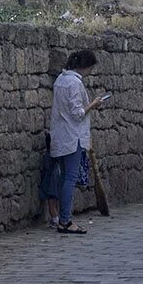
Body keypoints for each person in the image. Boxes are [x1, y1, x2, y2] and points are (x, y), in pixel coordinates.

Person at [48, 49, 105, 234]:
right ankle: (65, 220)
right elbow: (78, 113)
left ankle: (60, 217)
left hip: (60, 135)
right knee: (70, 179)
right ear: (86, 67)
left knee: (64, 177)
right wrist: (93, 104)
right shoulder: (74, 83)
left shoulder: (60, 80)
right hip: (73, 137)